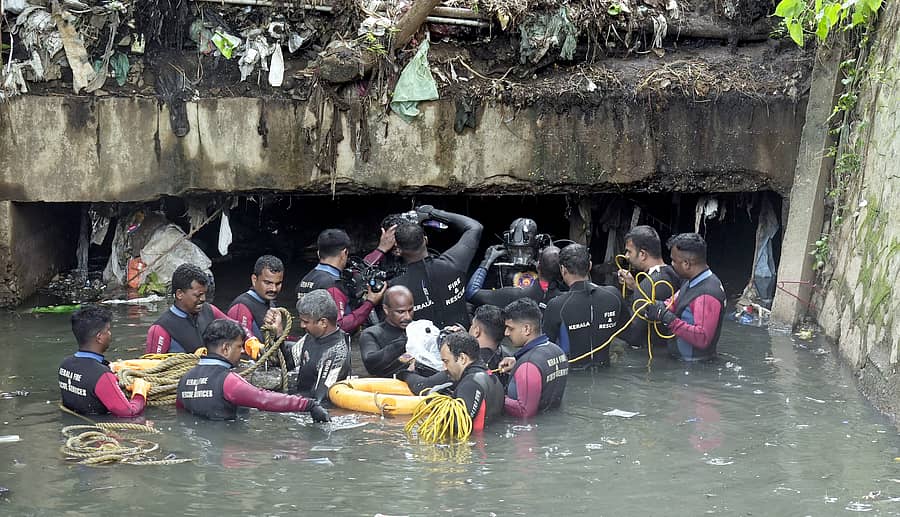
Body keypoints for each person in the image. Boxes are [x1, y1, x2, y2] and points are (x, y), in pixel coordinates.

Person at [176, 319, 330, 422]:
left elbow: (182, 417)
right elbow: (264, 399)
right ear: (225, 348)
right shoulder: (228, 381)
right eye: (239, 346)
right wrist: (308, 404)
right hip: (229, 448)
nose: (242, 351)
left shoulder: (184, 380)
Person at [391, 205, 483, 329]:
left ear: (398, 250)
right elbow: (475, 227)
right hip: (462, 339)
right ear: (426, 240)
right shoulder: (454, 263)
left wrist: (381, 250)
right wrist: (433, 212)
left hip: (424, 346)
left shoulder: (396, 288)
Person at [641, 233, 726, 362]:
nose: (672, 264)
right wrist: (657, 308)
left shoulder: (706, 294)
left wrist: (668, 318)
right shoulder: (693, 281)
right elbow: (673, 303)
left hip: (694, 368)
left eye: (674, 261)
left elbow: (702, 338)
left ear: (686, 264)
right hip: (680, 360)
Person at [59, 306, 150, 417]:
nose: (110, 334)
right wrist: (140, 391)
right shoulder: (102, 375)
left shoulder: (65, 365)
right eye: (108, 330)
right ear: (99, 337)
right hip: (103, 429)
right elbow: (129, 412)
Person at [542, 244, 623, 368]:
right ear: (590, 266)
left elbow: (544, 350)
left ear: (563, 269)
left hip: (572, 376)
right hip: (606, 371)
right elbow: (633, 337)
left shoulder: (556, 305)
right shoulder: (613, 295)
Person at [295, 229, 388, 334]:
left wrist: (381, 249)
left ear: (318, 253)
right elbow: (339, 326)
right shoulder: (333, 285)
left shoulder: (305, 280)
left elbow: (361, 269)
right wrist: (370, 303)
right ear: (345, 253)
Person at [404, 304, 510, 395]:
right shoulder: (506, 358)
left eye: (472, 326)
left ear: (476, 331)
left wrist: (406, 374)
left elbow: (423, 386)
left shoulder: (468, 362)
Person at [616, 226, 681, 349]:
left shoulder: (648, 284)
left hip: (652, 352)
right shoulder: (672, 273)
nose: (626, 256)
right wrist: (634, 288)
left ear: (642, 254)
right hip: (667, 346)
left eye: (629, 251)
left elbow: (634, 337)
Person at [501, 298, 568, 418]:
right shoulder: (558, 351)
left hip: (527, 434)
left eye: (510, 328)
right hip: (552, 423)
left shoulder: (528, 365)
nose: (506, 333)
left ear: (527, 329)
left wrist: (497, 397)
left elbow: (524, 411)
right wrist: (517, 362)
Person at [281, 289, 351, 401]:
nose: (302, 325)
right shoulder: (310, 336)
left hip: (315, 407)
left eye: (306, 322)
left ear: (323, 322)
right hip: (301, 397)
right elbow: (287, 364)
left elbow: (320, 398)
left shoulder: (337, 352)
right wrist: (278, 335)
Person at [146, 263, 232, 354]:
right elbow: (152, 365)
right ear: (180, 294)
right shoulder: (160, 329)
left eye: (204, 294)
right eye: (198, 295)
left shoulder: (209, 310)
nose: (203, 299)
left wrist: (248, 341)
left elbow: (236, 328)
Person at [438, 331, 504, 432]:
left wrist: (435, 401)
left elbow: (458, 425)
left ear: (462, 358)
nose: (444, 368)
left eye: (446, 361)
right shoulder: (493, 378)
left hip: (475, 446)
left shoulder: (471, 383)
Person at [466, 245, 566, 310]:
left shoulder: (515, 295)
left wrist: (487, 261)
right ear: (563, 270)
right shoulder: (568, 298)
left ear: (538, 266)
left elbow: (472, 292)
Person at [359, 285, 415, 377]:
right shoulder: (371, 334)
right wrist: (403, 343)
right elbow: (371, 364)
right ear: (386, 309)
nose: (407, 317)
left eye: (410, 310)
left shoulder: (420, 329)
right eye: (401, 312)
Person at [227, 255, 285, 341]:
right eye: (267, 283)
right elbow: (237, 348)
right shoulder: (241, 308)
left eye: (278, 284)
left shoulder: (270, 303)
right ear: (254, 280)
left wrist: (279, 332)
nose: (273, 289)